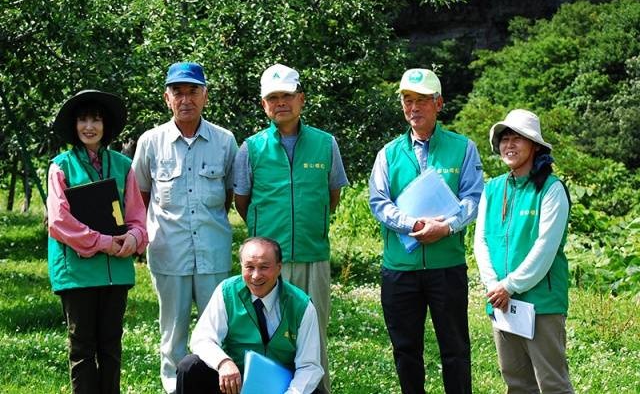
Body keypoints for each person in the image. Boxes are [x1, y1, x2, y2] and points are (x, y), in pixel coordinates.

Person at [233, 63, 348, 393]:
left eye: (287, 95)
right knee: (270, 335)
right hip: (269, 263)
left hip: (313, 254)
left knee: (314, 333)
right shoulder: (251, 148)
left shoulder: (326, 144)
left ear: (301, 99)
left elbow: (332, 195)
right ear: (264, 105)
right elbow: (242, 201)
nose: (280, 103)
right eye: (273, 97)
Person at [368, 68, 483, 394]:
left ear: (439, 103)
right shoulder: (388, 153)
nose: (414, 108)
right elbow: (378, 202)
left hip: (446, 266)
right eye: (408, 100)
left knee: (456, 349)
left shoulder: (463, 148)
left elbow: (472, 198)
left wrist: (446, 227)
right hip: (400, 268)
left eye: (422, 101)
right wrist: (413, 225)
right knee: (406, 350)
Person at [132, 62, 238, 393]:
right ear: (167, 98)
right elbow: (140, 196)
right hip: (169, 253)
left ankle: (212, 388)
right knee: (172, 334)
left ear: (205, 96)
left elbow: (230, 195)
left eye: (193, 91)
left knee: (218, 330)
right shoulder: (151, 142)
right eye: (178, 92)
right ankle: (174, 389)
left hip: (213, 253)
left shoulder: (225, 141)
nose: (186, 99)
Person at [47, 89, 148, 393]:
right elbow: (59, 221)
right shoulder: (61, 166)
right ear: (74, 126)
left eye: (96, 120)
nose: (89, 126)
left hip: (115, 271)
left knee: (111, 346)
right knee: (82, 348)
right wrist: (103, 241)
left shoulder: (122, 165)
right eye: (82, 120)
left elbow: (137, 215)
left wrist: (134, 237)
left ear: (105, 126)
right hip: (77, 274)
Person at [473, 109, 574, 393]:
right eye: (505, 138)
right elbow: (480, 241)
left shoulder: (552, 190)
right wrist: (494, 285)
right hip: (502, 301)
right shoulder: (493, 189)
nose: (510, 145)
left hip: (541, 302)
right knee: (516, 382)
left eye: (518, 138)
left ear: (535, 146)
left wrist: (509, 285)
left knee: (552, 382)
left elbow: (545, 248)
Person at [176, 236, 324, 394]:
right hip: (233, 382)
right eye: (249, 267)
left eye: (264, 267)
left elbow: (309, 366)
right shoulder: (227, 292)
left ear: (279, 267)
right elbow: (202, 338)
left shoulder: (301, 305)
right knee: (190, 366)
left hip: (281, 387)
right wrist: (223, 362)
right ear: (241, 266)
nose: (255, 275)